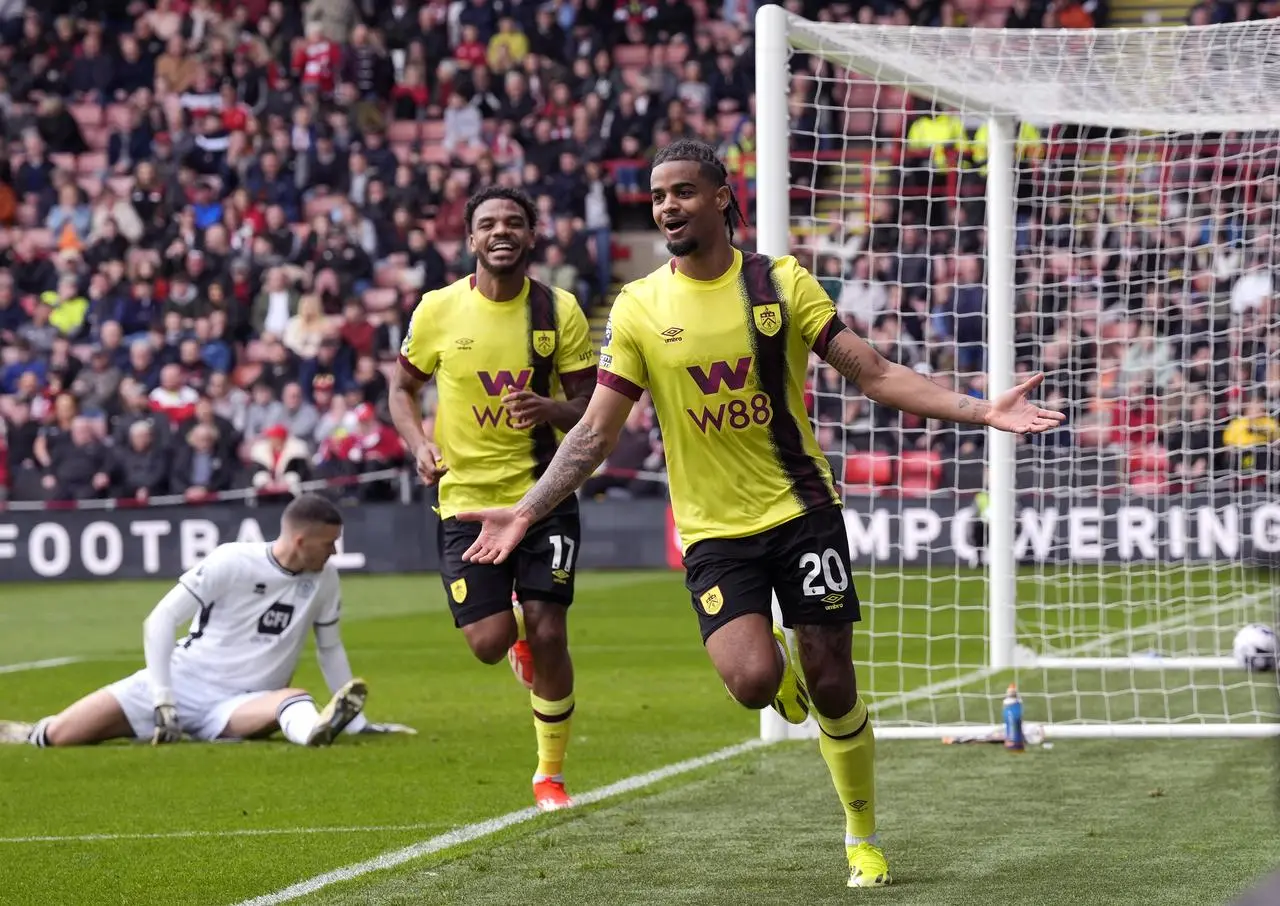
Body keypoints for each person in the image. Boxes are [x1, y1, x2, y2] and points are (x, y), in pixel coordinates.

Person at [455, 139, 1066, 888]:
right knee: (751, 681)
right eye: (657, 197)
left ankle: (861, 836)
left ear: (720, 197)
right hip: (713, 530)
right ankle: (782, 675)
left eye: (683, 191)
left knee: (834, 681)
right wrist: (526, 510)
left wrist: (979, 409)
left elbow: (871, 372)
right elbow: (592, 434)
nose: (668, 206)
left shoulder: (779, 284)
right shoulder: (641, 306)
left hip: (801, 510)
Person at [388, 186, 597, 813]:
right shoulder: (436, 310)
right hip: (466, 499)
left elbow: (592, 411)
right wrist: (417, 444)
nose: (500, 231)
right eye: (487, 223)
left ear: (532, 235)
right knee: (487, 642)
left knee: (551, 629)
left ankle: (549, 775)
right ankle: (513, 637)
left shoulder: (559, 312)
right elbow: (402, 390)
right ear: (471, 239)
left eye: (513, 222)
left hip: (543, 495)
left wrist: (550, 407)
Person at [0, 495, 415, 748]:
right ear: (301, 541)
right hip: (182, 681)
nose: (335, 552)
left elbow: (330, 647)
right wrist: (163, 697)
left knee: (294, 700)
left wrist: (358, 724)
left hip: (244, 702)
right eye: (329, 544)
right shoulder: (232, 560)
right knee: (61, 736)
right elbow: (160, 620)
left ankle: (316, 733)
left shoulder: (325, 578)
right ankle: (32, 732)